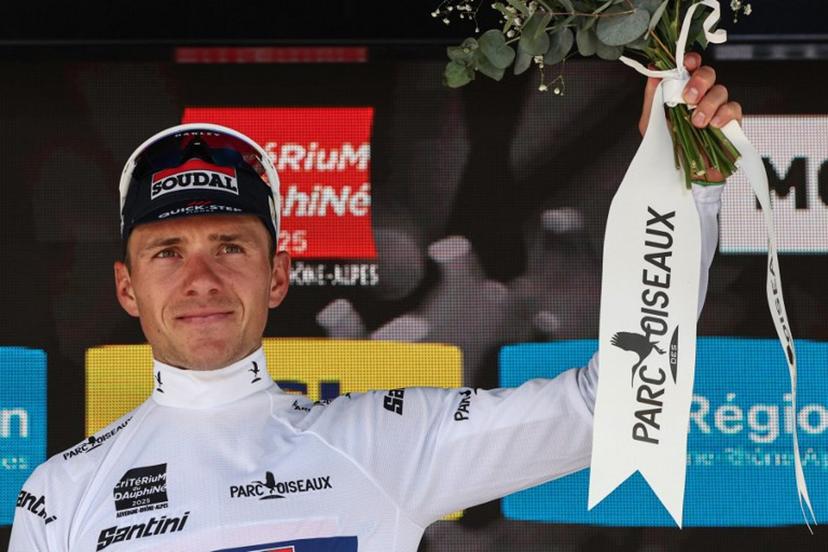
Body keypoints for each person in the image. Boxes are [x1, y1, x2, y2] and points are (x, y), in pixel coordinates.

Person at [9, 53, 741, 552]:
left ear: (277, 275)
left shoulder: (381, 442)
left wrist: (681, 193)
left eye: (230, 246)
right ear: (126, 287)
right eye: (168, 252)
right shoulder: (62, 493)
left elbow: (614, 406)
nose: (201, 278)